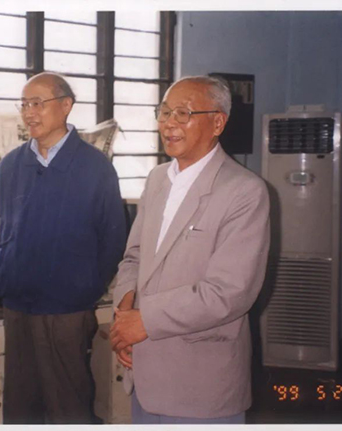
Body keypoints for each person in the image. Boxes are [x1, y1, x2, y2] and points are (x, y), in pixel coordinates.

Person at [110, 75, 270, 424]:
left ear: (217, 123)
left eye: (183, 113)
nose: (169, 123)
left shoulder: (244, 191)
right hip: (143, 372)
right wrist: (125, 315)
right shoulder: (157, 179)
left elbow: (229, 292)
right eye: (164, 112)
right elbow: (133, 257)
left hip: (200, 385)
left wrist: (143, 321)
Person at [0, 72, 127, 424]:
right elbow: (7, 229)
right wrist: (3, 271)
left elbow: (113, 240)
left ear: (66, 106)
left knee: (68, 404)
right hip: (17, 301)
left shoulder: (95, 167)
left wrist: (85, 287)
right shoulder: (11, 165)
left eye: (38, 103)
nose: (29, 112)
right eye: (24, 104)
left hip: (67, 307)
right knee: (20, 405)